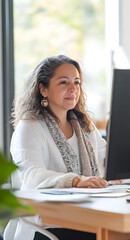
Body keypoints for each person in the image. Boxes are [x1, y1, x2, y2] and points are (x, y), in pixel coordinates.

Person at [9, 55, 108, 240]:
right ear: (43, 89)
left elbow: (108, 161)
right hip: (46, 225)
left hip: (87, 216)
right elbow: (31, 174)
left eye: (77, 82)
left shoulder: (84, 125)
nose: (73, 89)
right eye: (64, 82)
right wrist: (76, 180)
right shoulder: (30, 126)